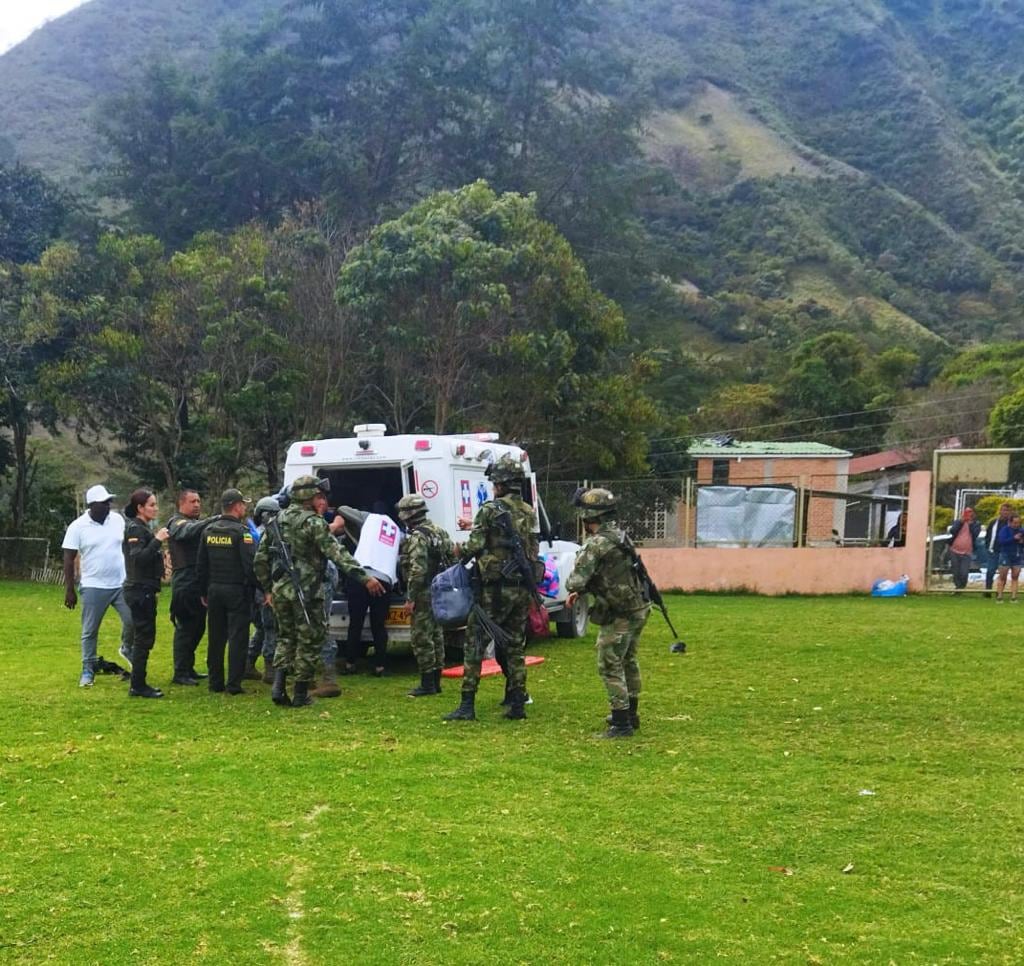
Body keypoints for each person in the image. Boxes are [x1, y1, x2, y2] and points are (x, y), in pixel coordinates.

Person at [253, 476, 384, 708]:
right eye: (317, 496)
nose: (320, 500)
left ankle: (279, 686)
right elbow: (338, 555)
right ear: (307, 497)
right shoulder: (313, 523)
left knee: (286, 637)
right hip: (308, 593)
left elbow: (260, 559)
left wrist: (268, 590)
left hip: (281, 592)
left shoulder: (277, 520)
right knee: (309, 640)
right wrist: (365, 578)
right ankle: (301, 692)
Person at [444, 455, 539, 723]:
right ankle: (517, 703)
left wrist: (456, 551)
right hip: (521, 588)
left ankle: (466, 705)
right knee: (514, 646)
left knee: (474, 643)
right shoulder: (528, 511)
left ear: (500, 483)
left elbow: (474, 546)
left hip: (494, 590)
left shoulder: (490, 509)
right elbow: (531, 549)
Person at [565, 488, 649, 738]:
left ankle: (621, 724)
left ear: (588, 517)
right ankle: (631, 715)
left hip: (619, 613)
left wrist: (578, 588)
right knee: (628, 660)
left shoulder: (596, 544)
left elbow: (575, 581)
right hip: (639, 607)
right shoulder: (621, 536)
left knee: (609, 664)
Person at [62, 484, 134, 688]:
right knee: (90, 630)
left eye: (109, 502)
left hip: (120, 584)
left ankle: (127, 648)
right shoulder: (77, 526)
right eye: (103, 503)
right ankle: (88, 668)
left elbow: (127, 546)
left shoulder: (118, 520)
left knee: (132, 621)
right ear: (92, 505)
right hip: (93, 585)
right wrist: (70, 589)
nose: (108, 506)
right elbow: (68, 559)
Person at [196, 489, 257, 693]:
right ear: (236, 506)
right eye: (243, 504)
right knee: (238, 638)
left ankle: (215, 682)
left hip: (214, 590)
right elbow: (250, 566)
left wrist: (203, 591)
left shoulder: (209, 531)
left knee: (216, 637)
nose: (245, 507)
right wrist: (261, 589)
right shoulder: (242, 533)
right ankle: (233, 684)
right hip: (236, 590)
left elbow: (201, 565)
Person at [397, 494, 456, 697]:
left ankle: (427, 683)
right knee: (437, 635)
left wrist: (410, 598)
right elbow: (452, 557)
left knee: (421, 637)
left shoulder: (417, 537)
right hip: (439, 590)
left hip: (423, 592)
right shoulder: (439, 531)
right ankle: (436, 680)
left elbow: (417, 570)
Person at [341, 501, 400, 677]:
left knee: (356, 623)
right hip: (384, 579)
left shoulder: (370, 519)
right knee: (378, 625)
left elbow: (343, 509)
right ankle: (379, 666)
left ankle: (350, 663)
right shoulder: (397, 530)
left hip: (361, 576)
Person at [122, 488, 171, 698]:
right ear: (140, 508)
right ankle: (138, 685)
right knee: (143, 639)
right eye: (151, 505)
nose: (155, 508)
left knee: (146, 637)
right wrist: (158, 540)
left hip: (146, 589)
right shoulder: (135, 529)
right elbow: (139, 558)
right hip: (139, 590)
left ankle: (139, 682)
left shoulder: (142, 528)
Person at [167, 489, 214, 685]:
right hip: (185, 582)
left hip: (197, 582)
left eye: (198, 501)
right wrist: (213, 520)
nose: (196, 505)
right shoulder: (177, 522)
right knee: (186, 628)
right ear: (181, 503)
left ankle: (188, 666)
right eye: (192, 501)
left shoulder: (196, 523)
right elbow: (187, 532)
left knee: (198, 627)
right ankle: (180, 672)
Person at [246, 497, 282, 684]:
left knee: (261, 628)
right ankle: (270, 670)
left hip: (257, 589)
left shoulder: (255, 533)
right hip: (266, 589)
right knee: (271, 629)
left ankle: (249, 663)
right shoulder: (266, 535)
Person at [984, 502, 1013, 596]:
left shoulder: (1013, 523)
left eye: (1007, 510)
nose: (1005, 512)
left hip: (1006, 552)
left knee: (1003, 574)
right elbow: (988, 535)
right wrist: (988, 547)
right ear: (1000, 511)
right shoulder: (993, 522)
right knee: (990, 571)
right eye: (1004, 510)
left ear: (1010, 512)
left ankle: (999, 592)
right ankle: (987, 591)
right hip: (993, 551)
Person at [948, 507, 980, 592]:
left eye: (970, 512)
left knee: (964, 572)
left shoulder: (976, 524)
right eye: (967, 512)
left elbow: (975, 534)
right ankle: (958, 588)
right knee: (955, 571)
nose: (968, 514)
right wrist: (961, 522)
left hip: (967, 552)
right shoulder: (958, 522)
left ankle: (962, 587)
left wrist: (970, 524)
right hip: (954, 550)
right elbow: (952, 531)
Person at [994, 512, 1023, 603]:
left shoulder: (1022, 530)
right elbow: (1001, 541)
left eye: (1018, 523)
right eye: (1014, 523)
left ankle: (1014, 597)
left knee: (1015, 576)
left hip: (1017, 555)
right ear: (1010, 522)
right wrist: (1013, 538)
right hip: (1005, 555)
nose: (1016, 525)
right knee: (1003, 576)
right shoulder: (1004, 530)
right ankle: (999, 596)